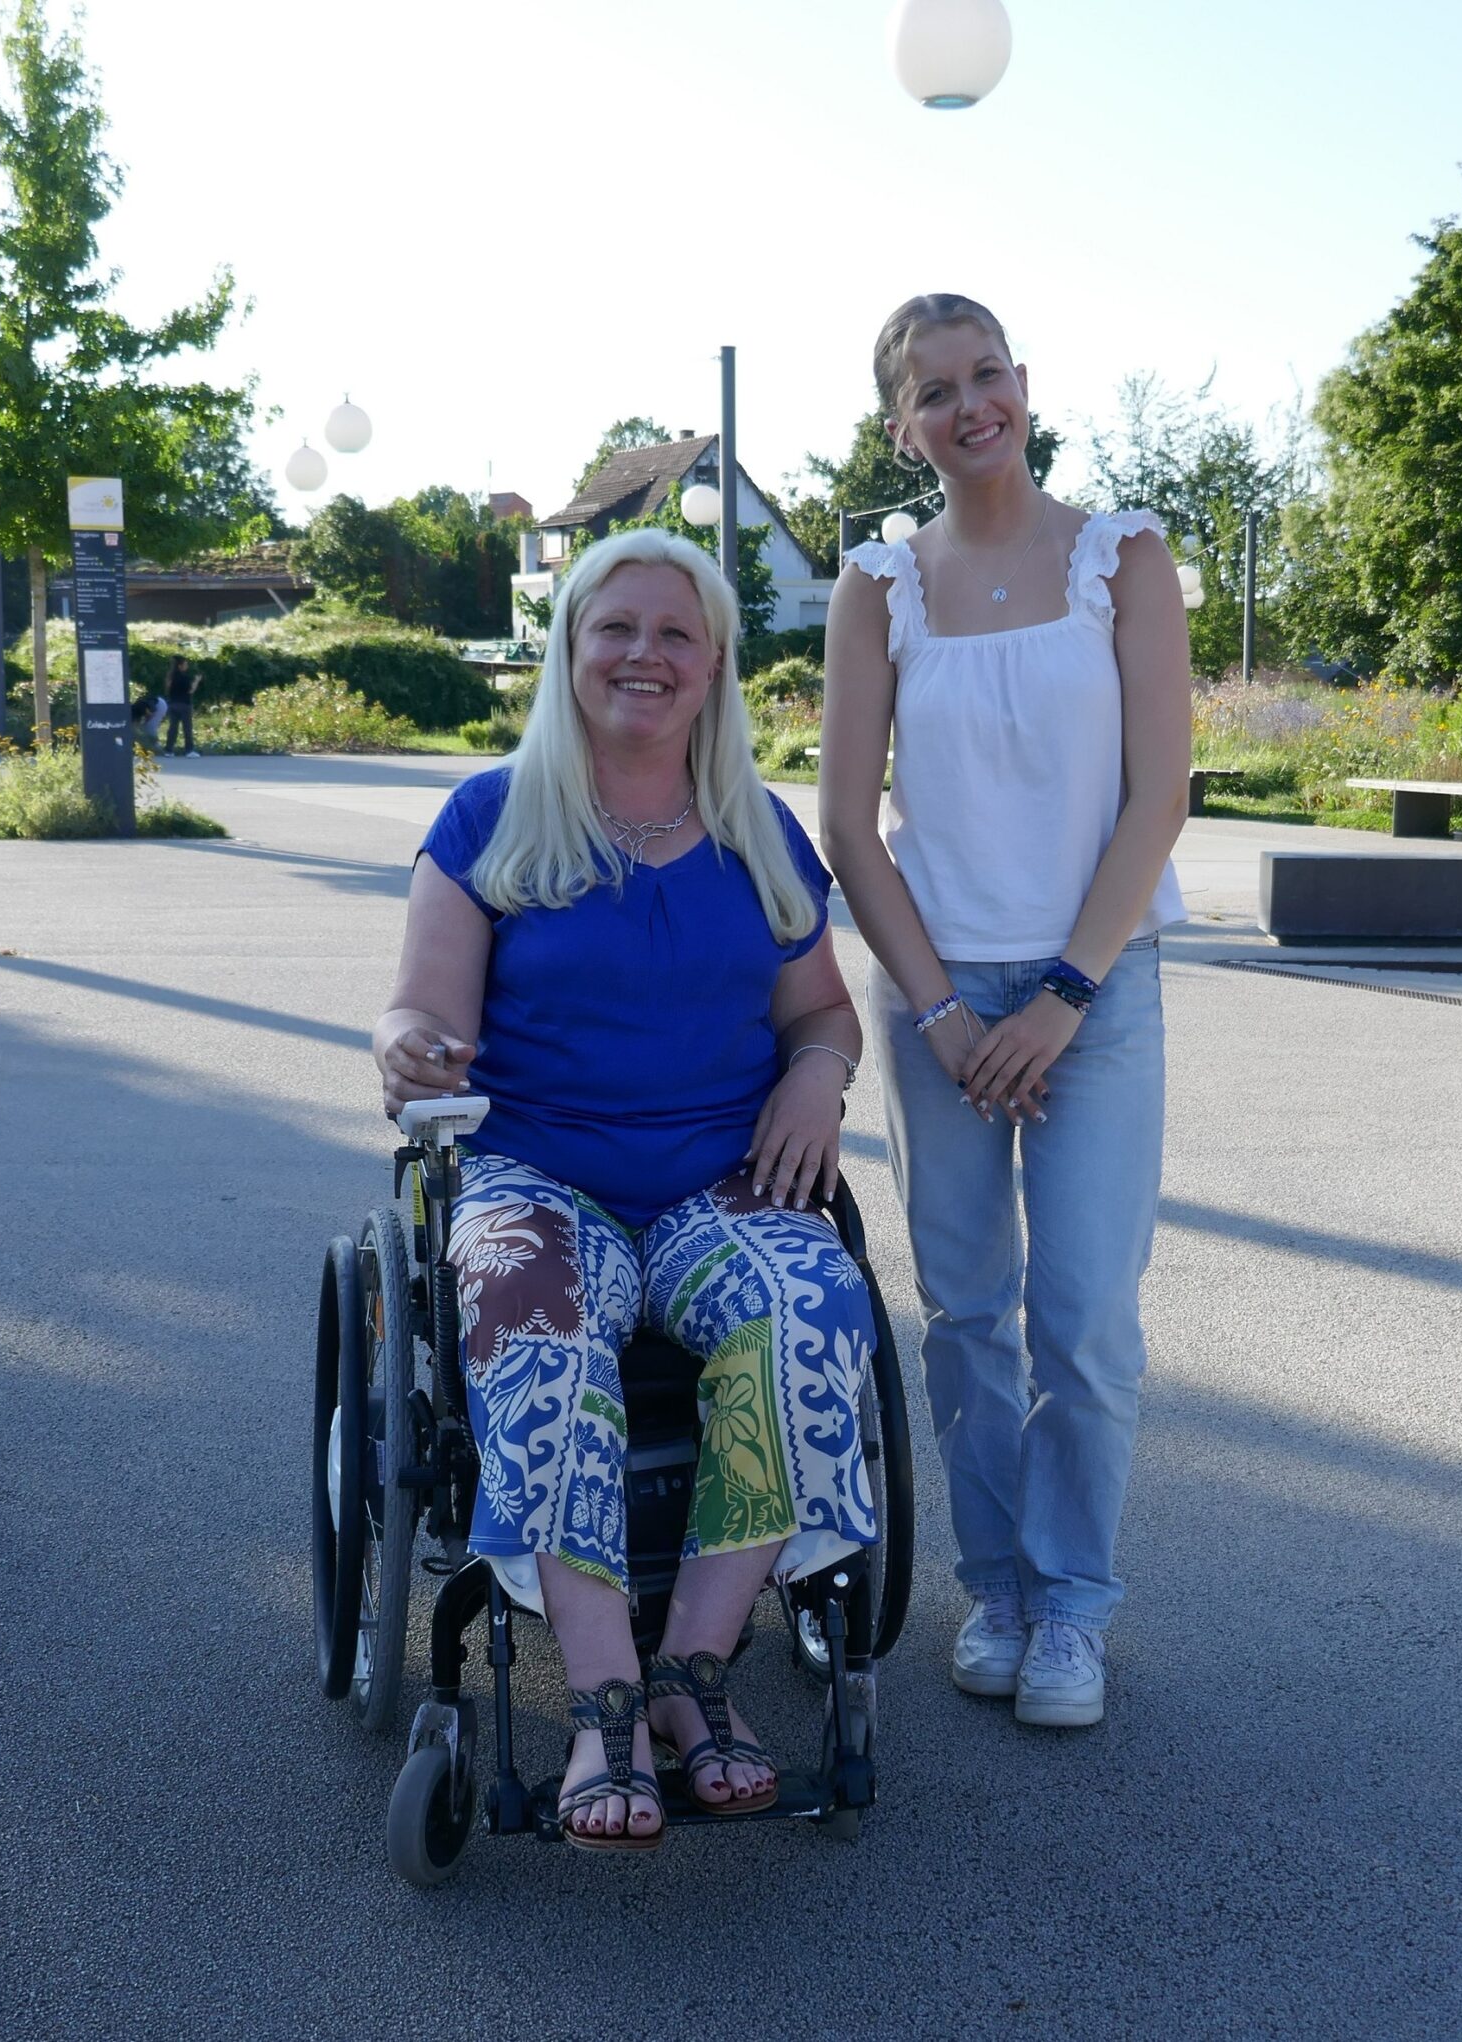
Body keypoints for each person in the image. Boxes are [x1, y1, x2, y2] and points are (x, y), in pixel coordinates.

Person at [373, 526, 877, 1851]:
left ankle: (693, 1676)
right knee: (536, 1329)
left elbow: (823, 1012)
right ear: (572, 650)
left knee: (816, 1310)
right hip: (542, 1176)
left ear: (713, 668)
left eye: (675, 635)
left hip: (723, 1182)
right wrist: (405, 1048)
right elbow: (418, 1013)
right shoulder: (492, 816)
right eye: (617, 629)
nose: (643, 656)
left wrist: (818, 1076)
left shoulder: (758, 834)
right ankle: (600, 1699)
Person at [819, 294, 1189, 1730]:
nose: (969, 406)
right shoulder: (879, 585)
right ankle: (1000, 1588)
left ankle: (1075, 1607)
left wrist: (1063, 998)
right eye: (934, 390)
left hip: (1096, 987)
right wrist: (942, 1012)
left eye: (987, 376)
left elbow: (1160, 796)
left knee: (1085, 1316)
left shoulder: (1123, 555)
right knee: (968, 1311)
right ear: (898, 424)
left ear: (1024, 386)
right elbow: (850, 824)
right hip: (939, 996)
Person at [162, 656, 197, 755]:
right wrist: (196, 682)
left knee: (173, 728)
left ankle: (168, 750)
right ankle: (189, 750)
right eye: (185, 664)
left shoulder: (170, 677)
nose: (187, 666)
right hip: (185, 705)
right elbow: (190, 691)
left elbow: (168, 690)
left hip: (173, 704)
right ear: (180, 666)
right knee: (187, 728)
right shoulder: (185, 678)